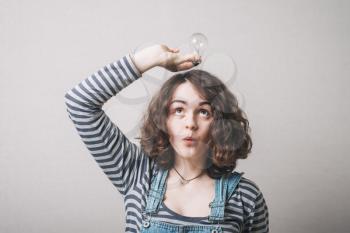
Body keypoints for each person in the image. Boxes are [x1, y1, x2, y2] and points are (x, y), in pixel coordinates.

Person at [64, 44, 269, 233]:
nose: (190, 123)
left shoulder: (246, 197)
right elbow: (79, 102)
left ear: (220, 123)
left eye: (204, 112)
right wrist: (153, 58)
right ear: (164, 120)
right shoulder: (138, 174)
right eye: (179, 110)